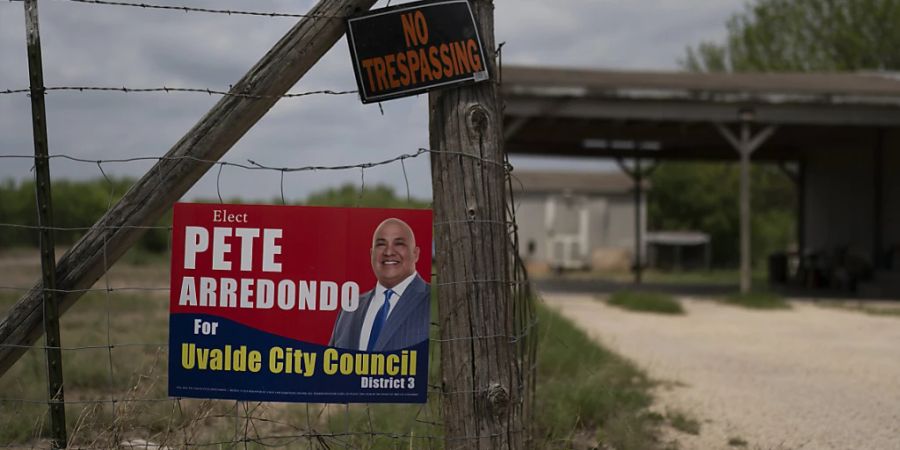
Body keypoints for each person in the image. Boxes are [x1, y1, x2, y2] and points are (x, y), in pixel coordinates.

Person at [329, 218, 430, 352]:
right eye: (381, 244)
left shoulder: (432, 300)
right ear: (372, 254)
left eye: (399, 244)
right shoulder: (349, 310)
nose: (388, 252)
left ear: (415, 254)